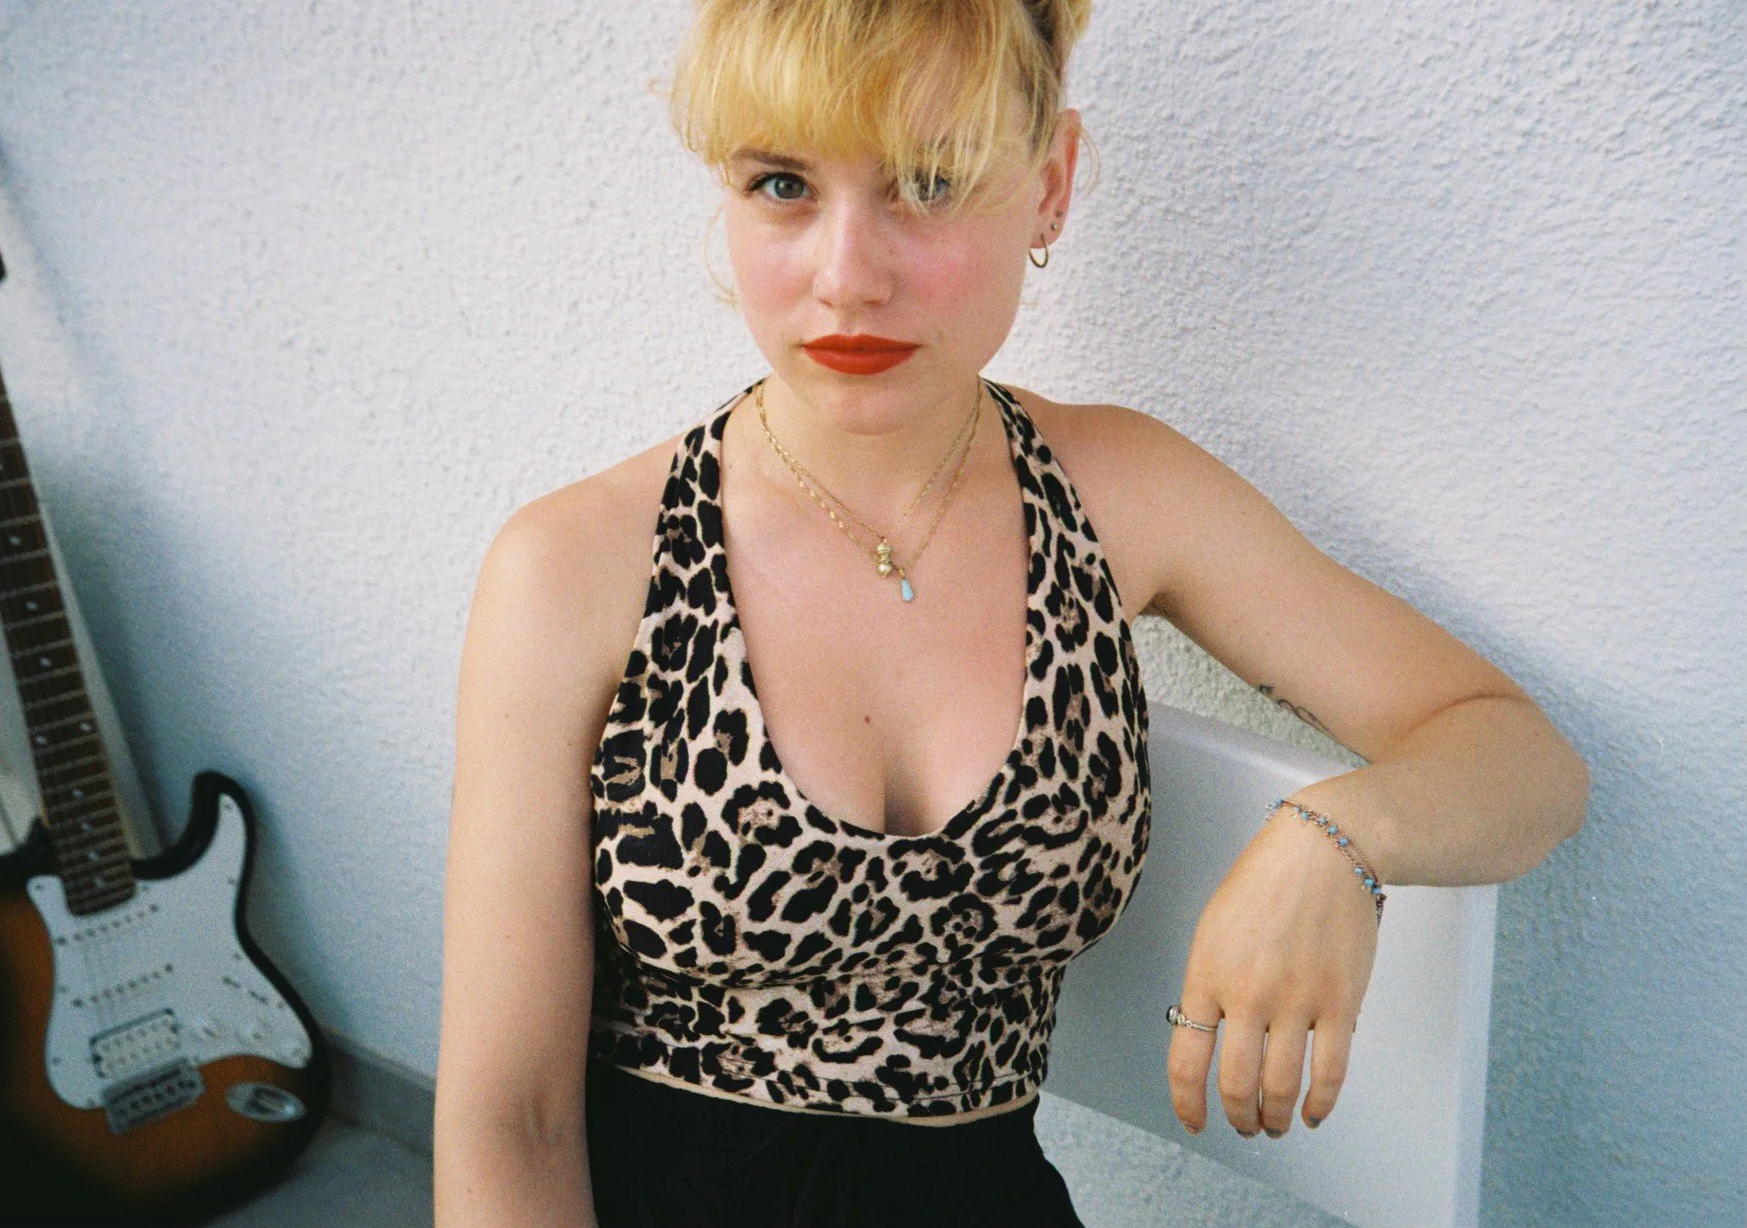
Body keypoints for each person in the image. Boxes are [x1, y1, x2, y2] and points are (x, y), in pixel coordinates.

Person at [432, 1, 1590, 1224]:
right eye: (781, 184)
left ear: (1051, 185)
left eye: (928, 182)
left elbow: (1523, 757)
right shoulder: (574, 566)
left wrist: (1337, 840)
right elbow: (514, 1123)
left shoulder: (1120, 494)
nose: (846, 274)